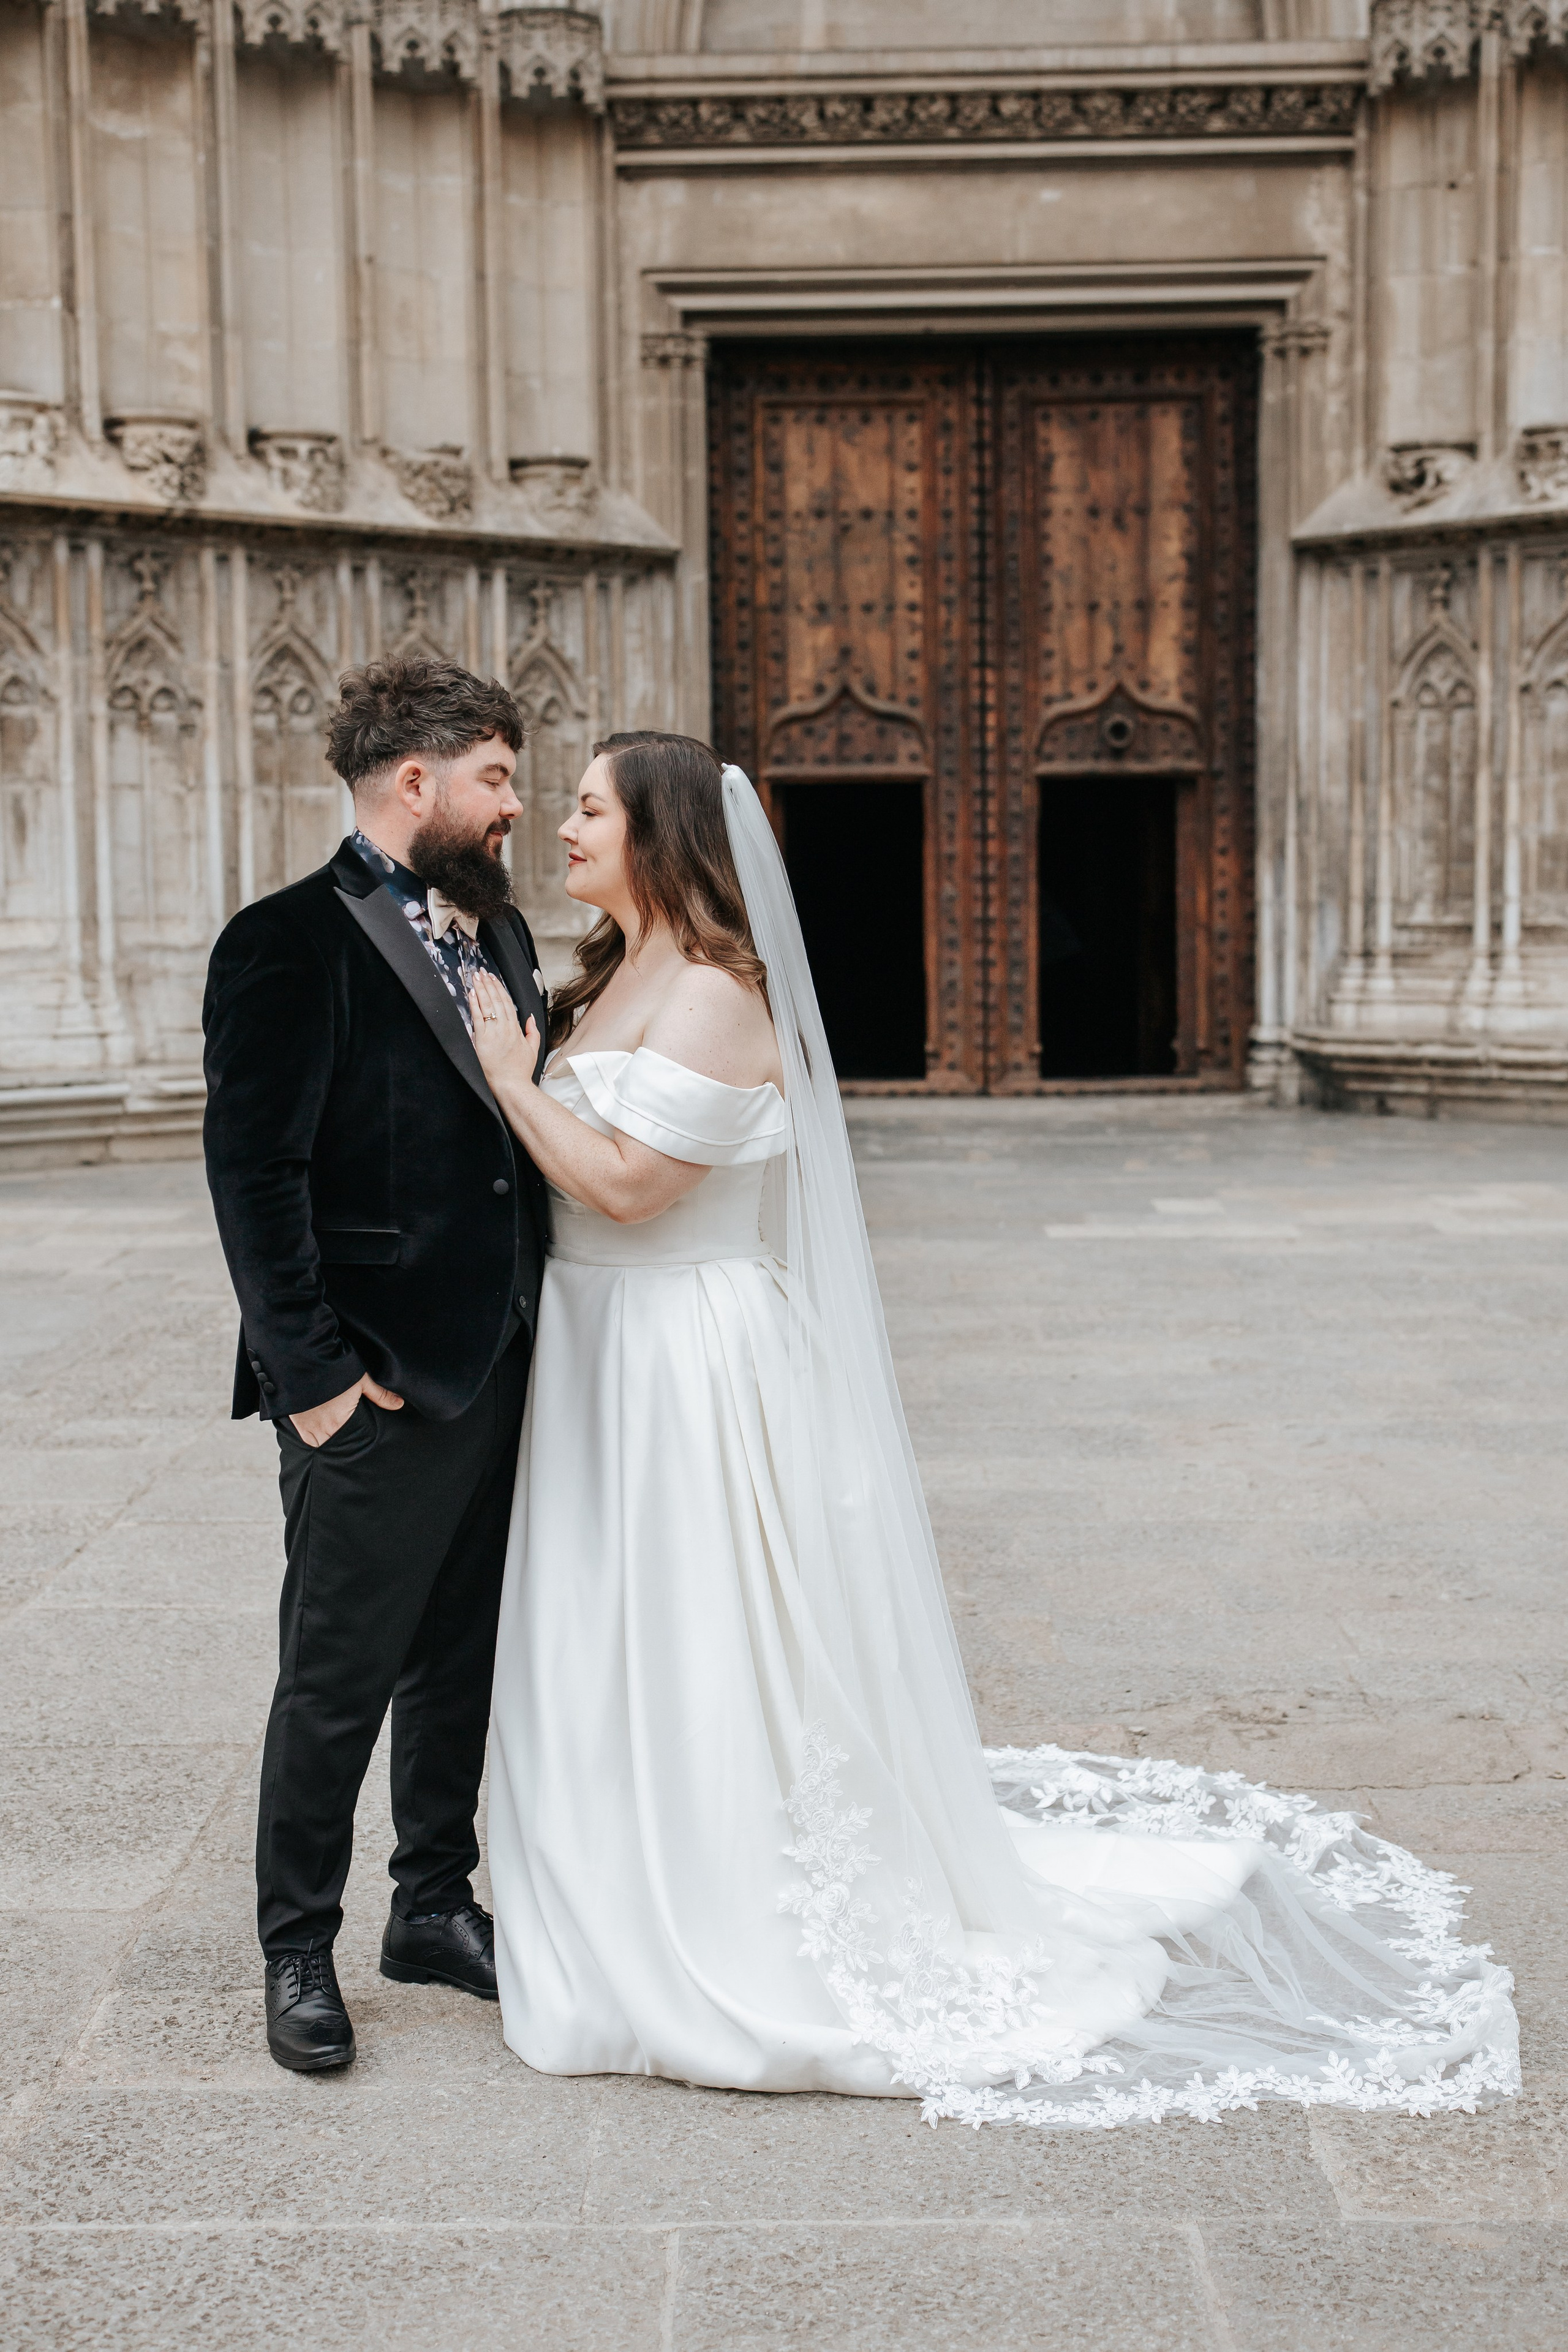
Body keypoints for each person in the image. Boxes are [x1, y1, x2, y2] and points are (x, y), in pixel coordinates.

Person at [470, 729, 1520, 2127]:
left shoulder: (723, 991)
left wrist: (507, 1082)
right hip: (600, 1355)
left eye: (589, 808)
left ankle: (716, 1887)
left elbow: (630, 1187)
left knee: (699, 1624)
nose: (562, 825)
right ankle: (602, 1864)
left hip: (678, 1354)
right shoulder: (608, 974)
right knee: (612, 1621)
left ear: (658, 833)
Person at [202, 655, 551, 2072]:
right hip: (372, 1386)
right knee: (336, 1672)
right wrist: (320, 1388)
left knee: (459, 1654)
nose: (515, 806)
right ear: (418, 780)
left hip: (501, 1362)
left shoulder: (501, 934)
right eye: (497, 778)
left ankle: (428, 1903)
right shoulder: (284, 940)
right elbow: (255, 1180)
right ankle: (298, 1949)